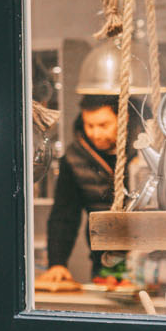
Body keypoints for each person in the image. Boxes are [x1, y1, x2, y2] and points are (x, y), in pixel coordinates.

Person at [38, 94, 120, 290]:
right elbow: (64, 215)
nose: (96, 133)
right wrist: (57, 263)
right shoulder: (75, 159)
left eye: (103, 125)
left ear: (122, 119)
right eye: (89, 125)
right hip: (104, 264)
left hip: (147, 261)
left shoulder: (145, 149)